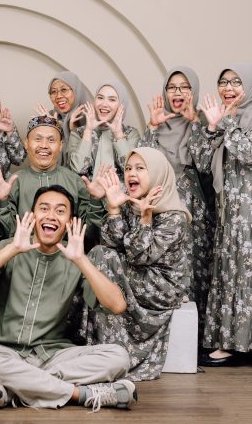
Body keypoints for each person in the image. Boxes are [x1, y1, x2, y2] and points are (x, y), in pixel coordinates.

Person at [0, 186, 137, 411]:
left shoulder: (75, 257)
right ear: (32, 215)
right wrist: (13, 249)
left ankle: (17, 387)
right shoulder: (9, 246)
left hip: (54, 355)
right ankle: (81, 394)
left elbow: (117, 305)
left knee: (119, 357)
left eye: (60, 211)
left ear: (70, 222)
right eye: (44, 208)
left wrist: (81, 260)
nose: (51, 215)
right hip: (5, 353)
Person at [190, 63, 252, 366]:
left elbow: (248, 153)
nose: (228, 88)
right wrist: (211, 127)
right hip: (232, 207)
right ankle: (236, 343)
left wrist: (227, 123)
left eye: (236, 82)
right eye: (223, 82)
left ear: (251, 86)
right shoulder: (227, 118)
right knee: (233, 269)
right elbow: (203, 162)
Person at [73, 148, 191, 381]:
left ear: (157, 173)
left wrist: (146, 219)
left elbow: (139, 257)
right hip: (135, 272)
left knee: (98, 259)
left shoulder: (174, 217)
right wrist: (114, 209)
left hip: (162, 285)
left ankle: (92, 343)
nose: (131, 174)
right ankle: (95, 346)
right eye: (128, 168)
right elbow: (112, 244)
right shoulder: (131, 204)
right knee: (98, 256)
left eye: (140, 168)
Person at [140, 66, 216, 344]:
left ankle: (197, 338)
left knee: (194, 264)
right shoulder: (158, 122)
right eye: (172, 87)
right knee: (165, 264)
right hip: (162, 204)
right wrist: (151, 127)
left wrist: (195, 122)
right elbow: (143, 163)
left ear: (193, 91)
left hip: (192, 205)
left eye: (184, 87)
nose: (178, 92)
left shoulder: (205, 121)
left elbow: (204, 162)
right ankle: (166, 338)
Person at [0, 116, 104, 241]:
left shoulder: (76, 181)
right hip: (24, 250)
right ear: (26, 143)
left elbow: (90, 234)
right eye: (38, 139)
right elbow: (6, 235)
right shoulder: (13, 182)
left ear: (61, 145)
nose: (44, 145)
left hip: (66, 250)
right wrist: (2, 202)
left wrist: (95, 201)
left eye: (51, 140)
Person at [67, 80, 140, 176]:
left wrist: (118, 135)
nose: (104, 104)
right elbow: (78, 168)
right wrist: (88, 132)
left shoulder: (130, 133)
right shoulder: (78, 133)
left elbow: (132, 171)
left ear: (122, 105)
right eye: (100, 98)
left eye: (112, 99)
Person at [36, 71, 93, 162]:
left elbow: (85, 163)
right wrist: (51, 129)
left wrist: (74, 130)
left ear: (76, 91)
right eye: (53, 92)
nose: (58, 96)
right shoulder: (49, 117)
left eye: (64, 90)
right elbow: (43, 161)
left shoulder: (90, 118)